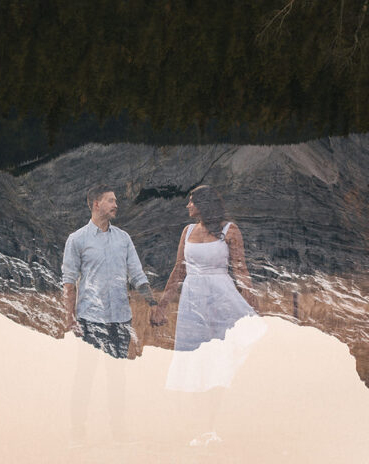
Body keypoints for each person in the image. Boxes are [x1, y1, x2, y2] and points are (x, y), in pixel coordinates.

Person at [151, 185, 265, 445]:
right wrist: (163, 304)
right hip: (193, 302)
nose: (188, 206)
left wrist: (253, 308)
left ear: (204, 204)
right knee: (195, 362)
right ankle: (200, 426)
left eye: (192, 201)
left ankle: (211, 427)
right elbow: (179, 270)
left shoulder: (229, 230)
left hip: (222, 300)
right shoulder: (187, 231)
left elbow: (241, 271)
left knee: (219, 361)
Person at [62, 184, 159, 358]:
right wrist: (69, 318)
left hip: (121, 319)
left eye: (116, 200)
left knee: (117, 375)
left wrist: (152, 304)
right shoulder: (77, 239)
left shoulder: (123, 238)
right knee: (86, 374)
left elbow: (137, 275)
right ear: (96, 204)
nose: (116, 205)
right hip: (90, 320)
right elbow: (69, 282)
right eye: (111, 200)